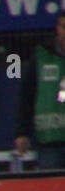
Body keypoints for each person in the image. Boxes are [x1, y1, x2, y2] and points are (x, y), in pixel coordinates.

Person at [15, 12, 65, 172]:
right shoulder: (41, 56)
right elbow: (27, 95)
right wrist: (22, 132)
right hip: (48, 140)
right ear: (57, 28)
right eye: (64, 27)